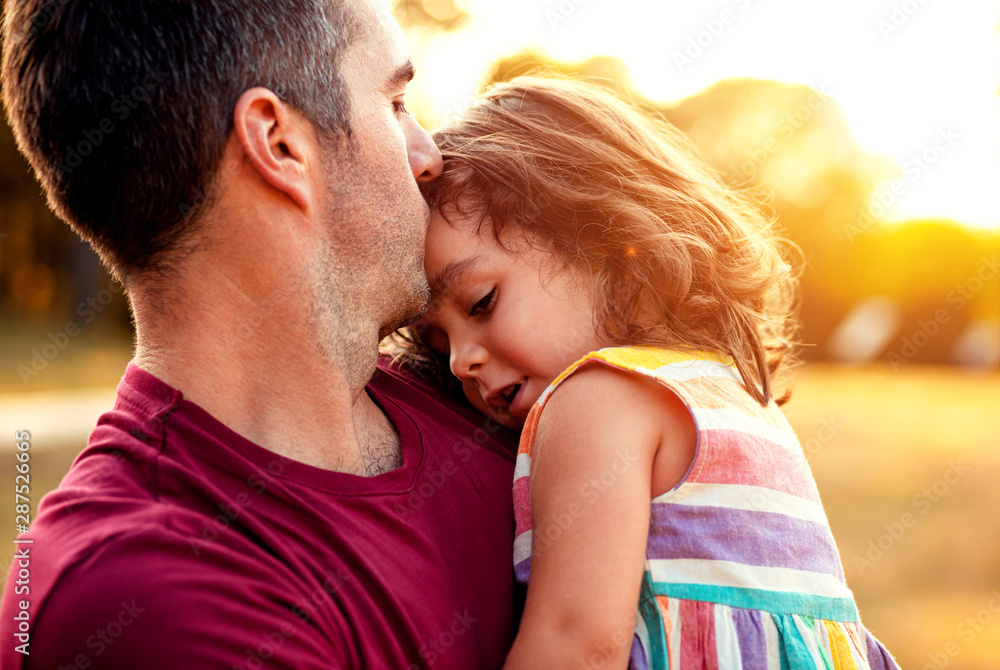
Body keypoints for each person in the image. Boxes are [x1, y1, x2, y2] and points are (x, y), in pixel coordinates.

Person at [0, 1, 523, 668]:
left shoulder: (488, 392)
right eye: (395, 103)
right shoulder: (146, 600)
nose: (430, 156)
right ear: (279, 145)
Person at [395, 76, 901, 669]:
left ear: (604, 245)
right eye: (439, 343)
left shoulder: (597, 398)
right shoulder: (729, 393)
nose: (461, 361)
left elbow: (578, 645)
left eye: (482, 303)